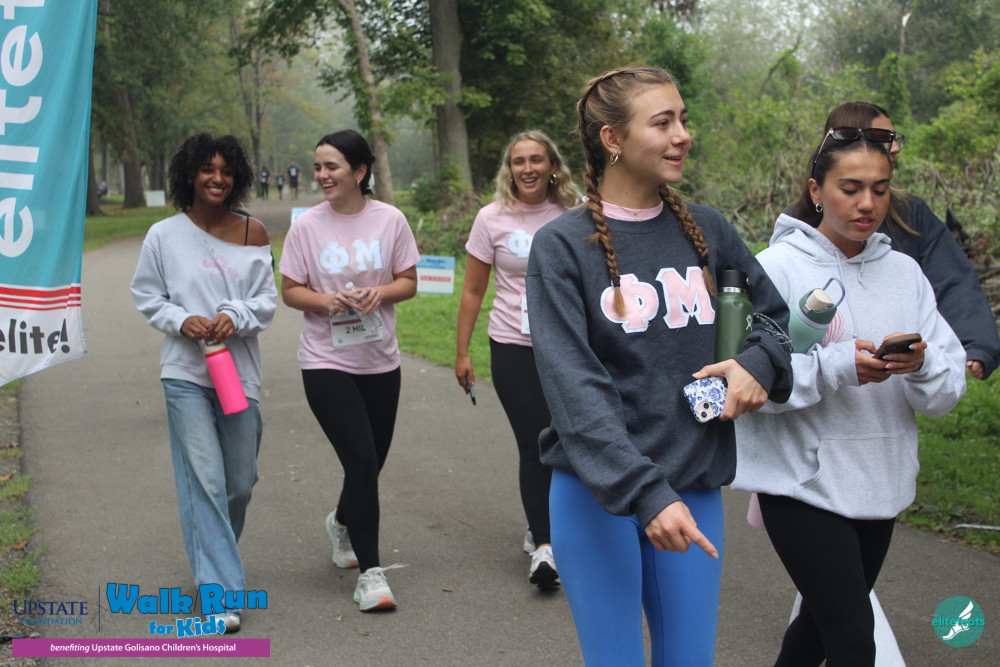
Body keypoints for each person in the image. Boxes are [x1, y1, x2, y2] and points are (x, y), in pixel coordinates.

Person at [525, 66, 793, 665]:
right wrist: (644, 492)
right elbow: (573, 387)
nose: (682, 135)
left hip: (692, 484)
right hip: (597, 490)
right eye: (663, 122)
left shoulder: (710, 230)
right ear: (612, 139)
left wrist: (758, 364)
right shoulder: (562, 246)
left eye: (684, 120)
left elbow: (774, 319)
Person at [734, 127, 966, 666]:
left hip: (880, 481)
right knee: (854, 640)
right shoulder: (776, 268)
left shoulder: (905, 273)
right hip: (800, 484)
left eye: (880, 189)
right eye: (851, 188)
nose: (867, 203)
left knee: (817, 632)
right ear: (816, 190)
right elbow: (749, 385)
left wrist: (921, 363)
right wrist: (839, 366)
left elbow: (945, 390)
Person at [130, 133, 276, 634]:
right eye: (207, 169)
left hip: (238, 375)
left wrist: (235, 314)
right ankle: (218, 591)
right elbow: (147, 295)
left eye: (226, 171)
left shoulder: (253, 232)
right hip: (185, 374)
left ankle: (213, 557)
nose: (217, 179)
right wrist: (181, 319)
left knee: (239, 483)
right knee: (205, 479)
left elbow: (266, 301)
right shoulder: (163, 235)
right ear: (189, 174)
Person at [278, 129, 419, 612]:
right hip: (326, 360)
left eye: (331, 166)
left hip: (380, 360)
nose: (322, 175)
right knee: (360, 461)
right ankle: (371, 575)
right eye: (318, 166)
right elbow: (290, 289)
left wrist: (381, 292)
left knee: (370, 463)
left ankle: (341, 522)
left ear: (359, 172)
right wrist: (326, 301)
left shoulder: (390, 220)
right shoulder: (306, 226)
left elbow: (409, 281)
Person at [787, 102, 998, 380]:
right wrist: (834, 367)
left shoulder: (909, 219)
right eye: (885, 137)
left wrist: (976, 342)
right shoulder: (789, 249)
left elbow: (952, 278)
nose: (895, 147)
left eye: (880, 191)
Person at [454, 130, 581, 589]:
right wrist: (462, 351)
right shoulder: (491, 219)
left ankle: (547, 523)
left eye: (536, 160)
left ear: (553, 166)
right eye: (518, 161)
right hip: (511, 344)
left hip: (567, 345)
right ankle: (545, 548)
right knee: (535, 443)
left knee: (569, 440)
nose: (527, 169)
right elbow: (473, 290)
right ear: (509, 169)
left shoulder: (576, 212)